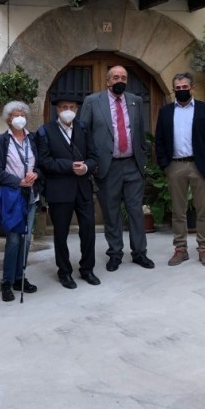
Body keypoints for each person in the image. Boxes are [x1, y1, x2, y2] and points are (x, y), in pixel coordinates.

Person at [80, 65, 155, 272]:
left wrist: (143, 160)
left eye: (123, 77)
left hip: (133, 164)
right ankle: (115, 253)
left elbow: (140, 132)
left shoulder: (135, 101)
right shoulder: (92, 102)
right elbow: (82, 133)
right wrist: (91, 163)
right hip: (107, 166)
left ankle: (140, 252)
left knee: (135, 212)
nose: (119, 80)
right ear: (107, 81)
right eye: (115, 77)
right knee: (111, 212)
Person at [154, 72, 205, 267]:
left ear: (192, 88)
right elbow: (159, 139)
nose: (181, 90)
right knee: (178, 211)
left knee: (204, 210)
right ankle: (180, 249)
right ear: (173, 89)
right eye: (178, 88)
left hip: (199, 165)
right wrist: (165, 164)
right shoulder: (165, 111)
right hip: (175, 165)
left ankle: (204, 249)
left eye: (185, 87)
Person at [36, 93, 101, 289]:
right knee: (61, 233)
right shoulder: (45, 131)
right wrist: (69, 166)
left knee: (88, 230)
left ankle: (87, 269)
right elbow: (44, 161)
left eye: (72, 107)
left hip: (83, 189)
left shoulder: (82, 128)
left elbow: (93, 156)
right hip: (59, 189)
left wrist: (87, 167)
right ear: (57, 109)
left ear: (77, 109)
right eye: (64, 107)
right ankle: (64, 272)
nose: (68, 111)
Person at [0, 101, 41, 302]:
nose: (19, 117)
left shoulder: (33, 139)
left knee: (27, 239)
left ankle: (20, 277)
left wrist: (35, 174)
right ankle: (7, 281)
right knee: (13, 239)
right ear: (8, 119)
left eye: (22, 114)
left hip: (31, 197)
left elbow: (42, 163)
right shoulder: (2, 140)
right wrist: (18, 181)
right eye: (14, 114)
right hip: (13, 196)